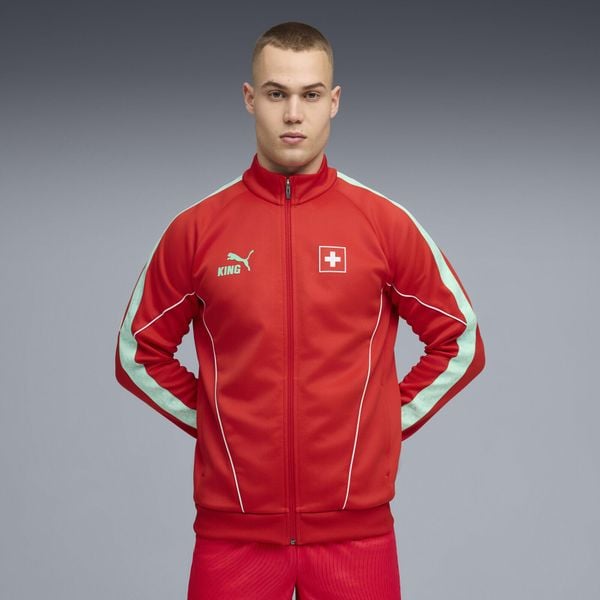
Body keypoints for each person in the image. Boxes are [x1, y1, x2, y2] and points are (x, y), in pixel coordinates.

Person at [115, 21, 485, 600]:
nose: (293, 114)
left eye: (310, 95)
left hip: (355, 539)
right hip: (233, 539)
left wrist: (381, 425)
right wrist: (219, 424)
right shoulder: (197, 230)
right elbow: (137, 352)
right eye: (276, 94)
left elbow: (460, 340)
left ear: (333, 102)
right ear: (249, 98)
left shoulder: (383, 224)